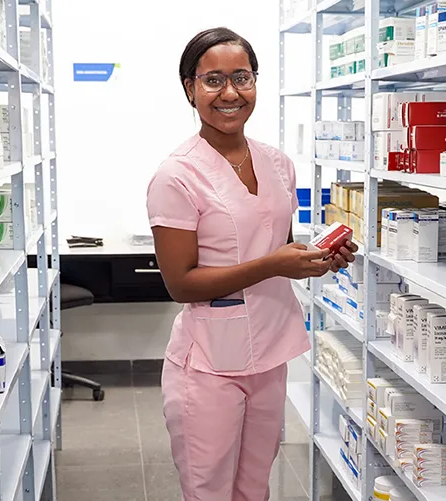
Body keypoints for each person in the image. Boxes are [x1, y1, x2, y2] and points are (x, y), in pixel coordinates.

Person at [146, 27, 358, 501]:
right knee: (210, 491)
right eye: (212, 80)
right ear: (190, 89)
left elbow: (276, 247)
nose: (229, 93)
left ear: (255, 83)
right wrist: (273, 265)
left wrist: (319, 260)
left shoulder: (278, 163)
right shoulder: (175, 175)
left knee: (254, 489)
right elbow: (180, 284)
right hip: (208, 362)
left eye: (241, 77)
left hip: (269, 349)